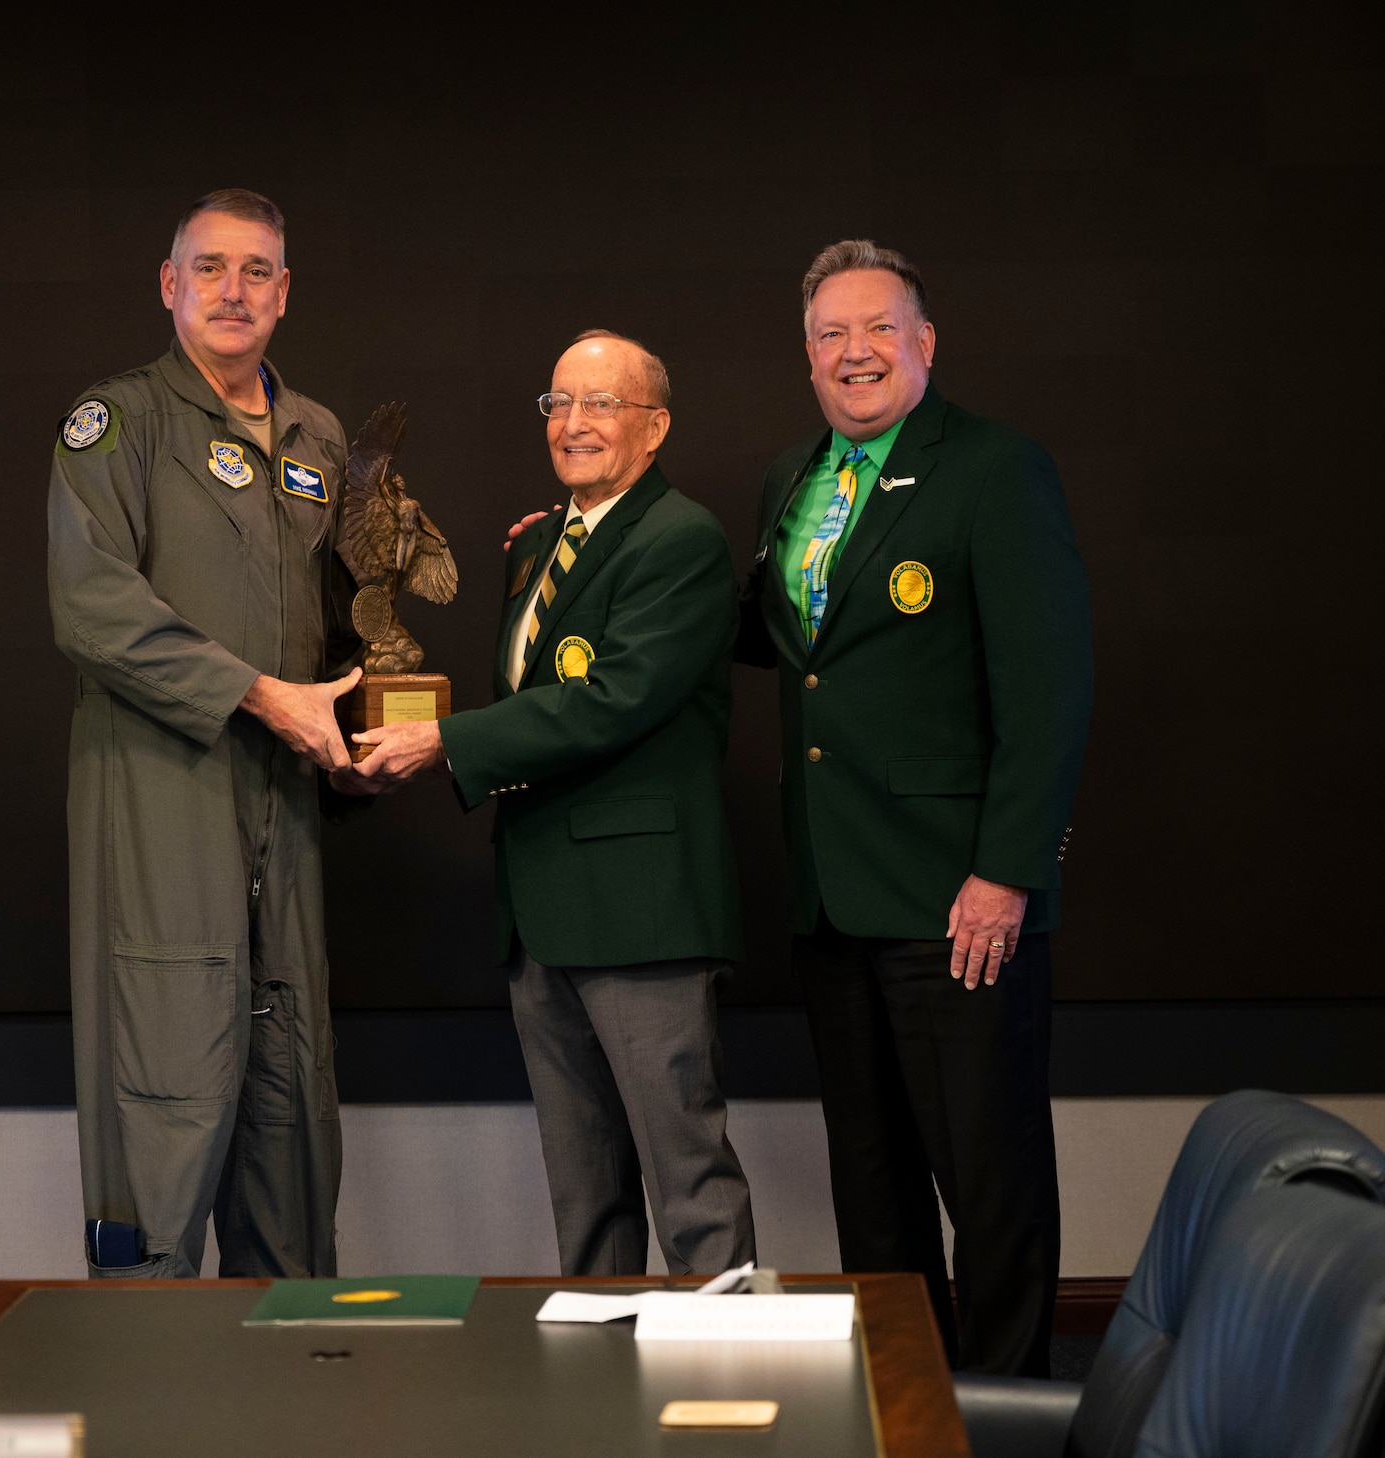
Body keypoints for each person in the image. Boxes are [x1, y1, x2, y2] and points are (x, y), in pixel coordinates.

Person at [736, 240, 1092, 1375]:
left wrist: (1006, 871)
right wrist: (580, 546)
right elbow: (782, 643)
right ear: (805, 360)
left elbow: (1048, 690)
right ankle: (905, 1406)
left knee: (987, 1190)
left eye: (876, 329)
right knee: (873, 1191)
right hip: (834, 896)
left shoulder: (994, 469)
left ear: (922, 344)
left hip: (956, 902)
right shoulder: (790, 479)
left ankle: (1004, 1415)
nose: (854, 353)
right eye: (829, 335)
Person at [349, 330, 756, 1277]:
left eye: (601, 404)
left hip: (642, 914)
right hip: (542, 911)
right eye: (559, 404)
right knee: (586, 1194)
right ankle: (602, 1395)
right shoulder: (542, 545)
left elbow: (613, 701)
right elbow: (537, 690)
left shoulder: (681, 539)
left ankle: (737, 1400)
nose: (574, 423)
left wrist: (445, 741)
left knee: (686, 1181)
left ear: (653, 428)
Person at [47, 189, 363, 1279]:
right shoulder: (118, 421)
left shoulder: (320, 435)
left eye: (258, 270)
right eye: (211, 268)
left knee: (290, 1092)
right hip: (161, 787)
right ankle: (150, 1387)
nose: (234, 290)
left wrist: (362, 726)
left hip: (285, 803)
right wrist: (261, 696)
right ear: (169, 284)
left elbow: (344, 623)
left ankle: (290, 1399)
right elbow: (91, 608)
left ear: (286, 292)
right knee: (166, 1077)